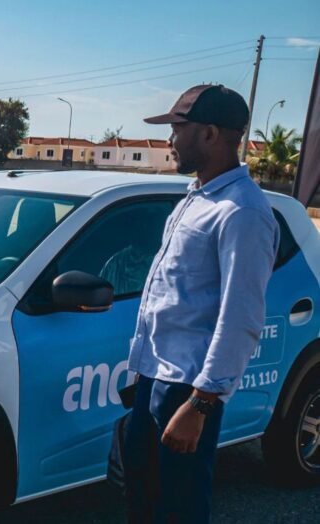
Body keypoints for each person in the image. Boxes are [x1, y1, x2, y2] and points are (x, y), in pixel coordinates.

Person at [123, 84, 279, 523]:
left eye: (178, 129)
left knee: (178, 509)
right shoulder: (196, 198)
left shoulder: (242, 212)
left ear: (209, 134)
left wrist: (201, 404)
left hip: (188, 391)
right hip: (155, 377)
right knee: (142, 502)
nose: (170, 140)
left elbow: (241, 319)